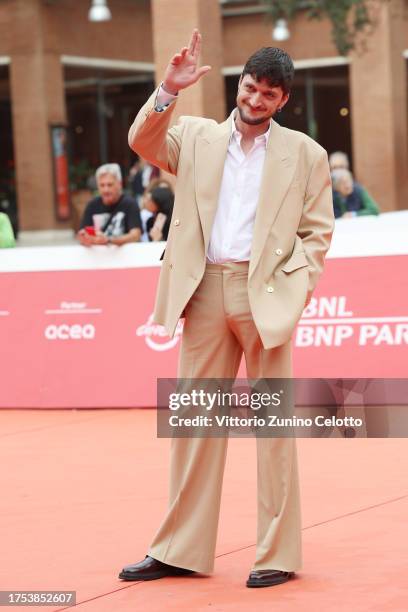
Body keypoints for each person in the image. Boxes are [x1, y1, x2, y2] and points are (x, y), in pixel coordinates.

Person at [120, 30, 334, 588]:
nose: (254, 99)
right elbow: (142, 142)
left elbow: (317, 234)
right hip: (205, 291)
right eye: (249, 87)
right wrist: (169, 88)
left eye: (267, 93)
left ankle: (278, 553)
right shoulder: (194, 137)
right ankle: (179, 549)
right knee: (195, 423)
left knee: (272, 427)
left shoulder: (305, 154)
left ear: (282, 99)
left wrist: (297, 287)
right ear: (238, 84)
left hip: (265, 296)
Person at [77, 163, 142, 246]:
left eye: (110, 185)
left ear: (120, 184)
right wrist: (84, 238)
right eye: (102, 185)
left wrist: (108, 240)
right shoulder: (92, 205)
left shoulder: (130, 204)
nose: (106, 190)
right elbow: (83, 233)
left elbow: (135, 235)